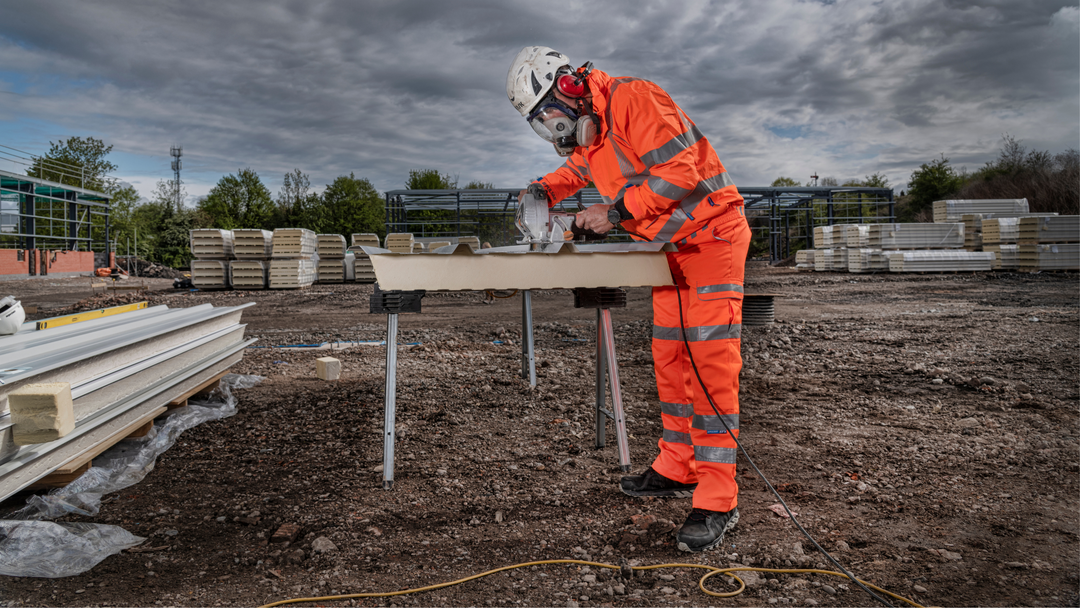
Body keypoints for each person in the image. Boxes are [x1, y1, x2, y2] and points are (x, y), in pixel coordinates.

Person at [506, 47, 751, 553]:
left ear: (569, 88)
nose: (553, 126)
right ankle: (676, 465)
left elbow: (684, 172)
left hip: (712, 238)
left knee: (709, 366)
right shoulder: (596, 128)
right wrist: (541, 192)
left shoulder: (635, 99)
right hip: (670, 248)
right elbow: (578, 168)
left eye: (550, 114)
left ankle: (717, 496)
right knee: (670, 357)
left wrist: (615, 212)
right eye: (543, 122)